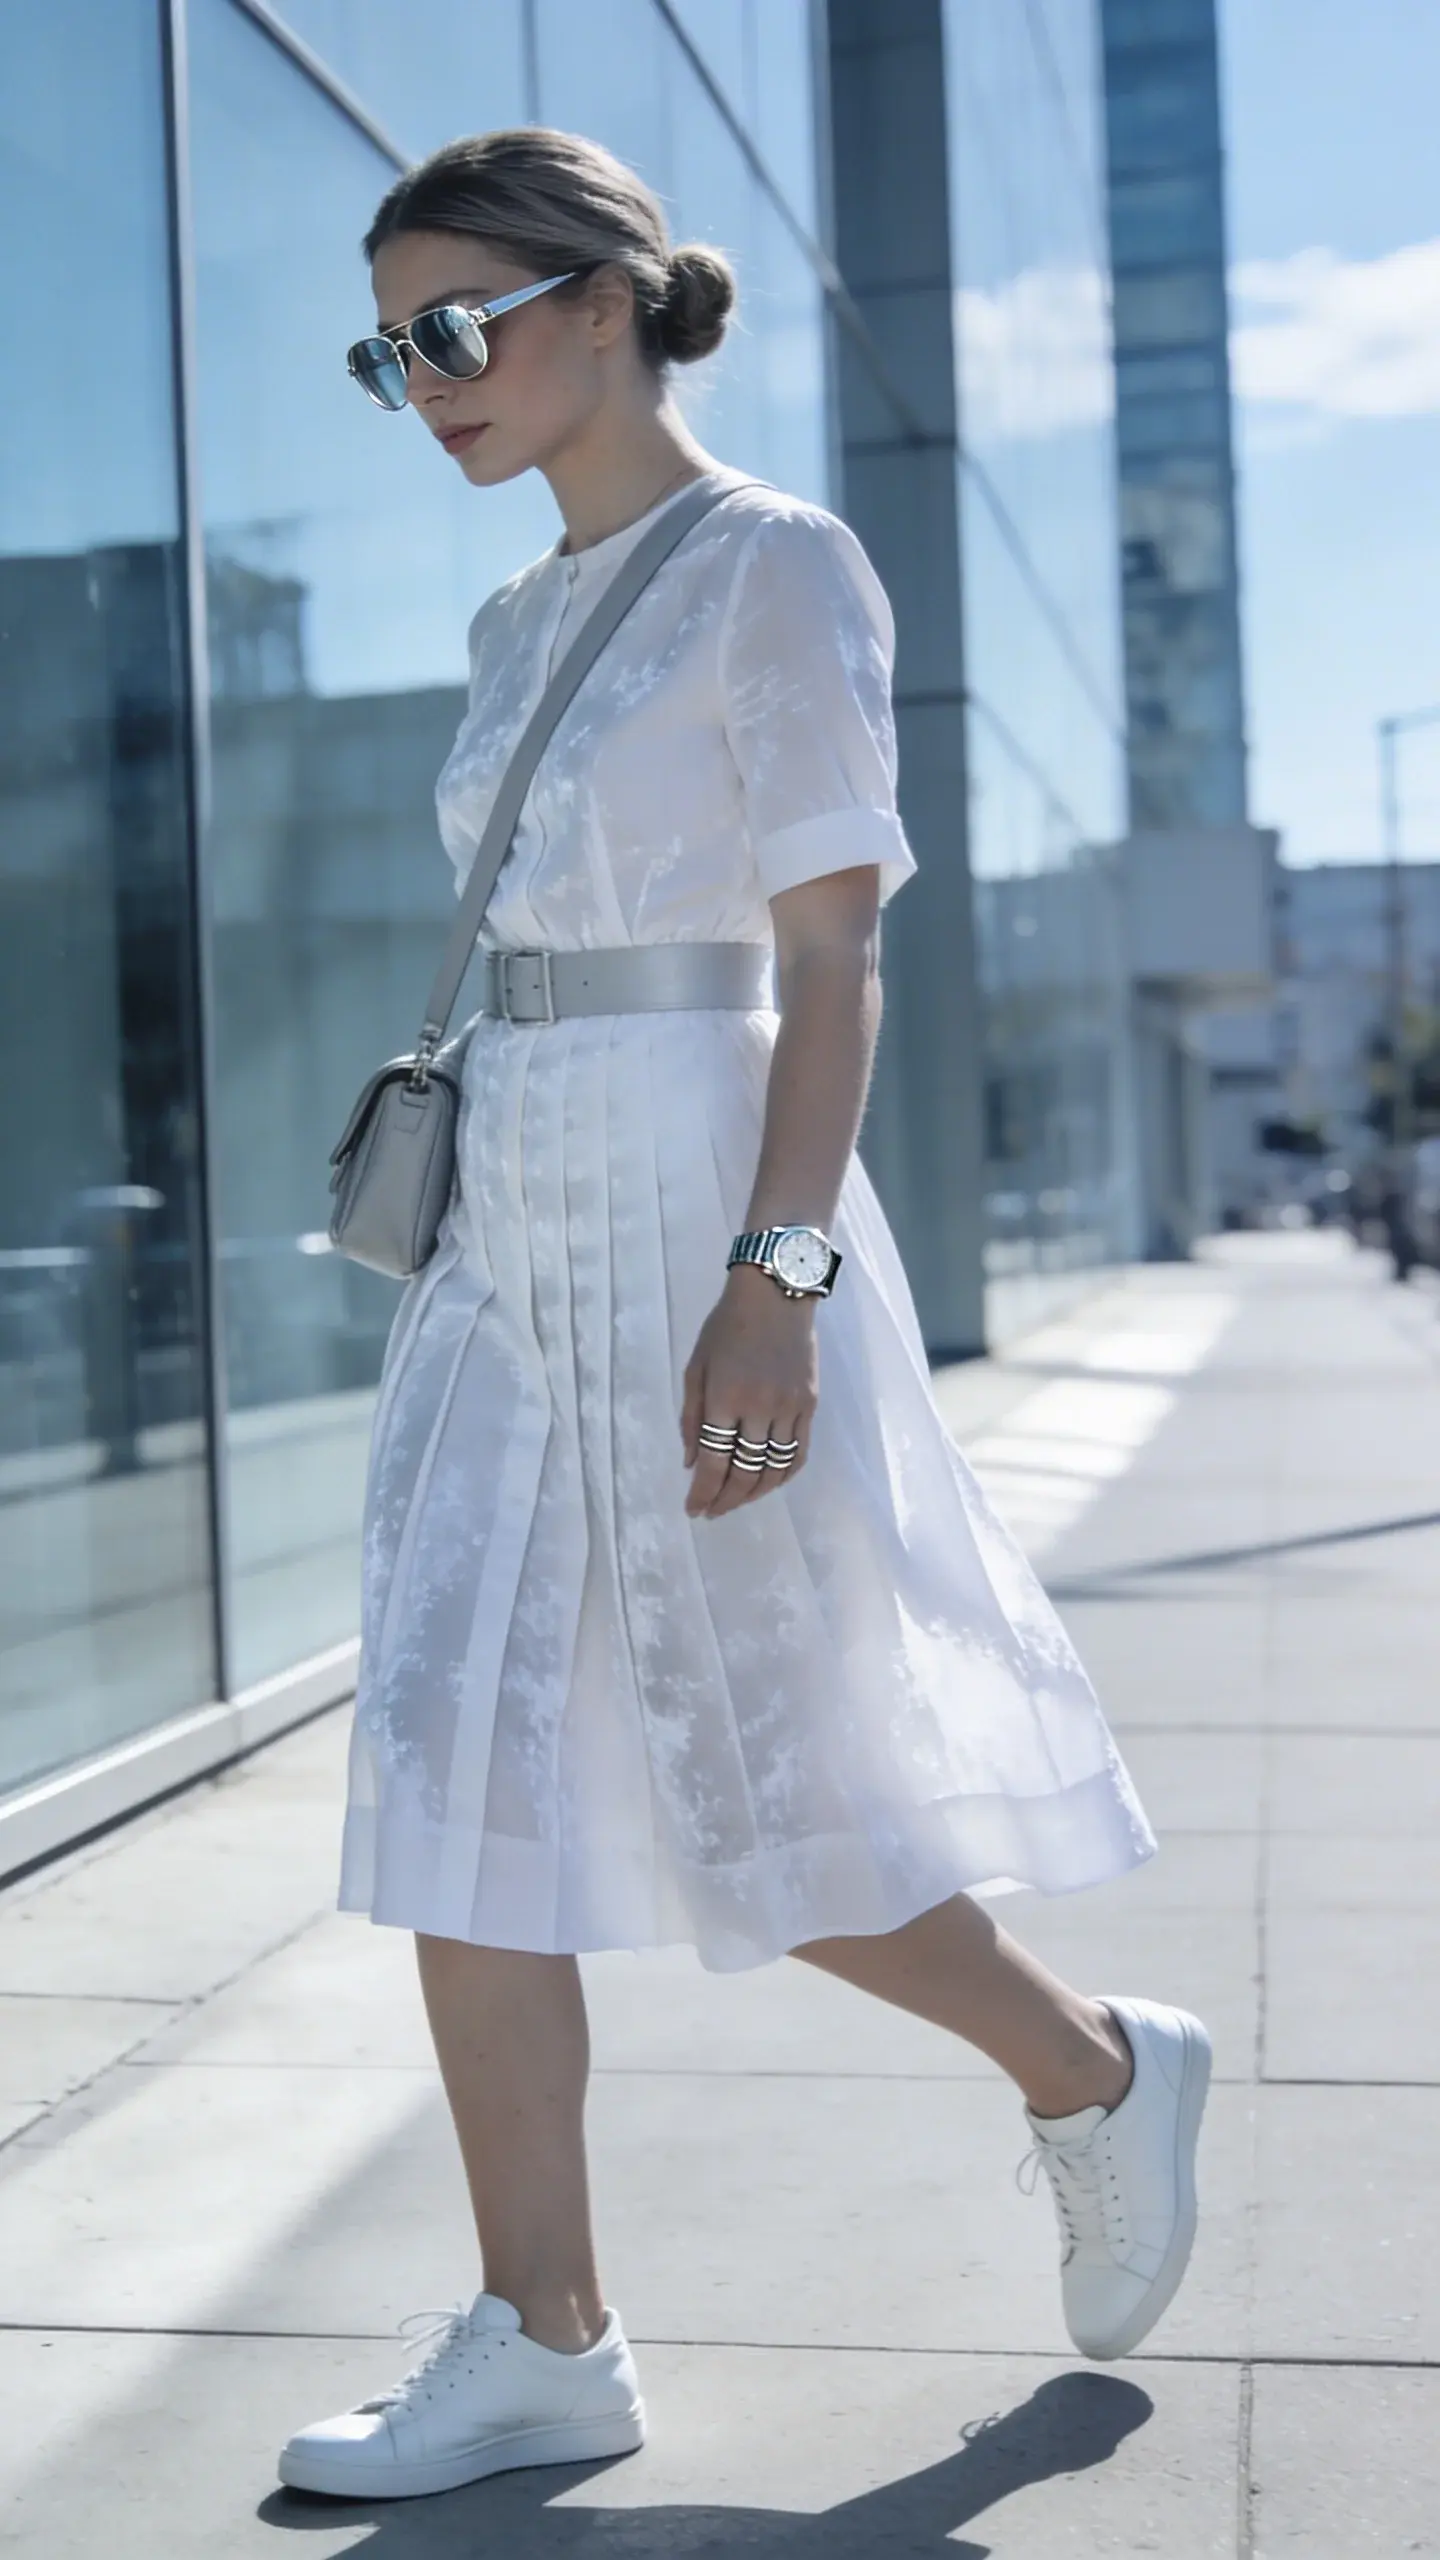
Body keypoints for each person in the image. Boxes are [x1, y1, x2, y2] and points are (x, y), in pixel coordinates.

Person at [278, 127, 1210, 2504]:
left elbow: (828, 958)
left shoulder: (777, 565)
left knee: (763, 1780)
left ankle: (1097, 2067)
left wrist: (774, 1281)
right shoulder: (510, 621)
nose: (427, 381)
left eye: (457, 328)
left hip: (708, 1196)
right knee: (450, 1770)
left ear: (602, 298)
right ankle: (547, 2331)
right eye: (392, 350)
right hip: (513, 1219)